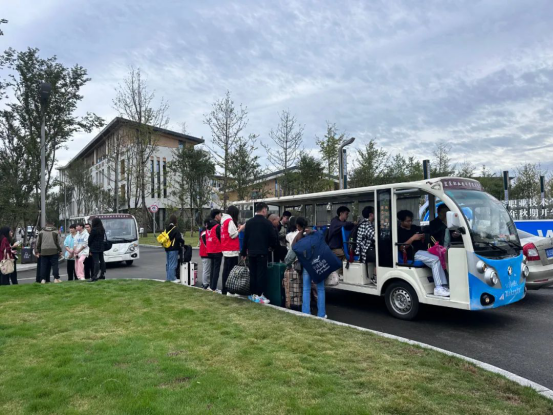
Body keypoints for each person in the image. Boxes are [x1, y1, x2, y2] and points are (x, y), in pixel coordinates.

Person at [397, 210, 449, 297]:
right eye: (407, 221)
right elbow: (401, 247)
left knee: (439, 257)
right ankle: (438, 288)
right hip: (412, 253)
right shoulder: (399, 231)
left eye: (411, 221)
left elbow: (425, 231)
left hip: (422, 251)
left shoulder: (414, 228)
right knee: (435, 260)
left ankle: (443, 285)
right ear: (401, 221)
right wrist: (413, 238)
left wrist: (423, 236)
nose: (410, 223)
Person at [284, 217, 326, 318]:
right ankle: (321, 314)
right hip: (319, 264)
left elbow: (291, 254)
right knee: (320, 289)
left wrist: (288, 264)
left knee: (306, 289)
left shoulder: (299, 236)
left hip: (307, 265)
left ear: (298, 226)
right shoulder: (316, 233)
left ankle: (306, 312)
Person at [240, 202, 278, 304]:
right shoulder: (267, 223)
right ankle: (260, 295)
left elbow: (245, 238)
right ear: (264, 210)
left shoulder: (249, 222)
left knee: (253, 273)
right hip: (262, 251)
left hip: (251, 252)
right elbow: (273, 237)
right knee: (261, 274)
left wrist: (243, 252)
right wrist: (272, 247)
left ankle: (253, 294)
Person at [220, 206, 245, 295]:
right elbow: (233, 234)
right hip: (231, 249)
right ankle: (230, 290)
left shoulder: (224, 221)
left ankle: (225, 289)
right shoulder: (229, 221)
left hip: (226, 248)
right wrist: (241, 229)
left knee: (226, 270)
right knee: (231, 271)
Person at [355, 206, 376, 283]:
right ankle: (375, 277)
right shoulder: (366, 225)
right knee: (382, 256)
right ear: (371, 214)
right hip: (364, 251)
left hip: (368, 249)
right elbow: (375, 236)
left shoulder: (368, 223)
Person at [163, 215, 183, 283]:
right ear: (175, 221)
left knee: (169, 264)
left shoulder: (167, 228)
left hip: (167, 248)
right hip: (173, 248)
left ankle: (168, 278)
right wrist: (183, 242)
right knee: (173, 264)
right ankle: (172, 278)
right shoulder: (175, 229)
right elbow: (178, 238)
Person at [207, 209, 223, 292]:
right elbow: (221, 238)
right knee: (216, 269)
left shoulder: (208, 226)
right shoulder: (217, 226)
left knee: (212, 268)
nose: (221, 216)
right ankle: (214, 287)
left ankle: (211, 286)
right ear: (216, 216)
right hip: (217, 249)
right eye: (220, 215)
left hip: (210, 249)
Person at [87, 217, 107, 283]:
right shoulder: (102, 229)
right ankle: (102, 274)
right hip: (101, 246)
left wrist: (89, 245)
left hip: (94, 247)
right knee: (102, 260)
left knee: (96, 262)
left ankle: (94, 276)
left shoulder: (94, 230)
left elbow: (90, 239)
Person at [199, 219, 211, 289]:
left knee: (206, 269)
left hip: (203, 253)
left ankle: (205, 282)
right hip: (205, 253)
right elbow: (206, 244)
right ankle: (205, 283)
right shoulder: (204, 233)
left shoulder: (203, 232)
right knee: (206, 270)